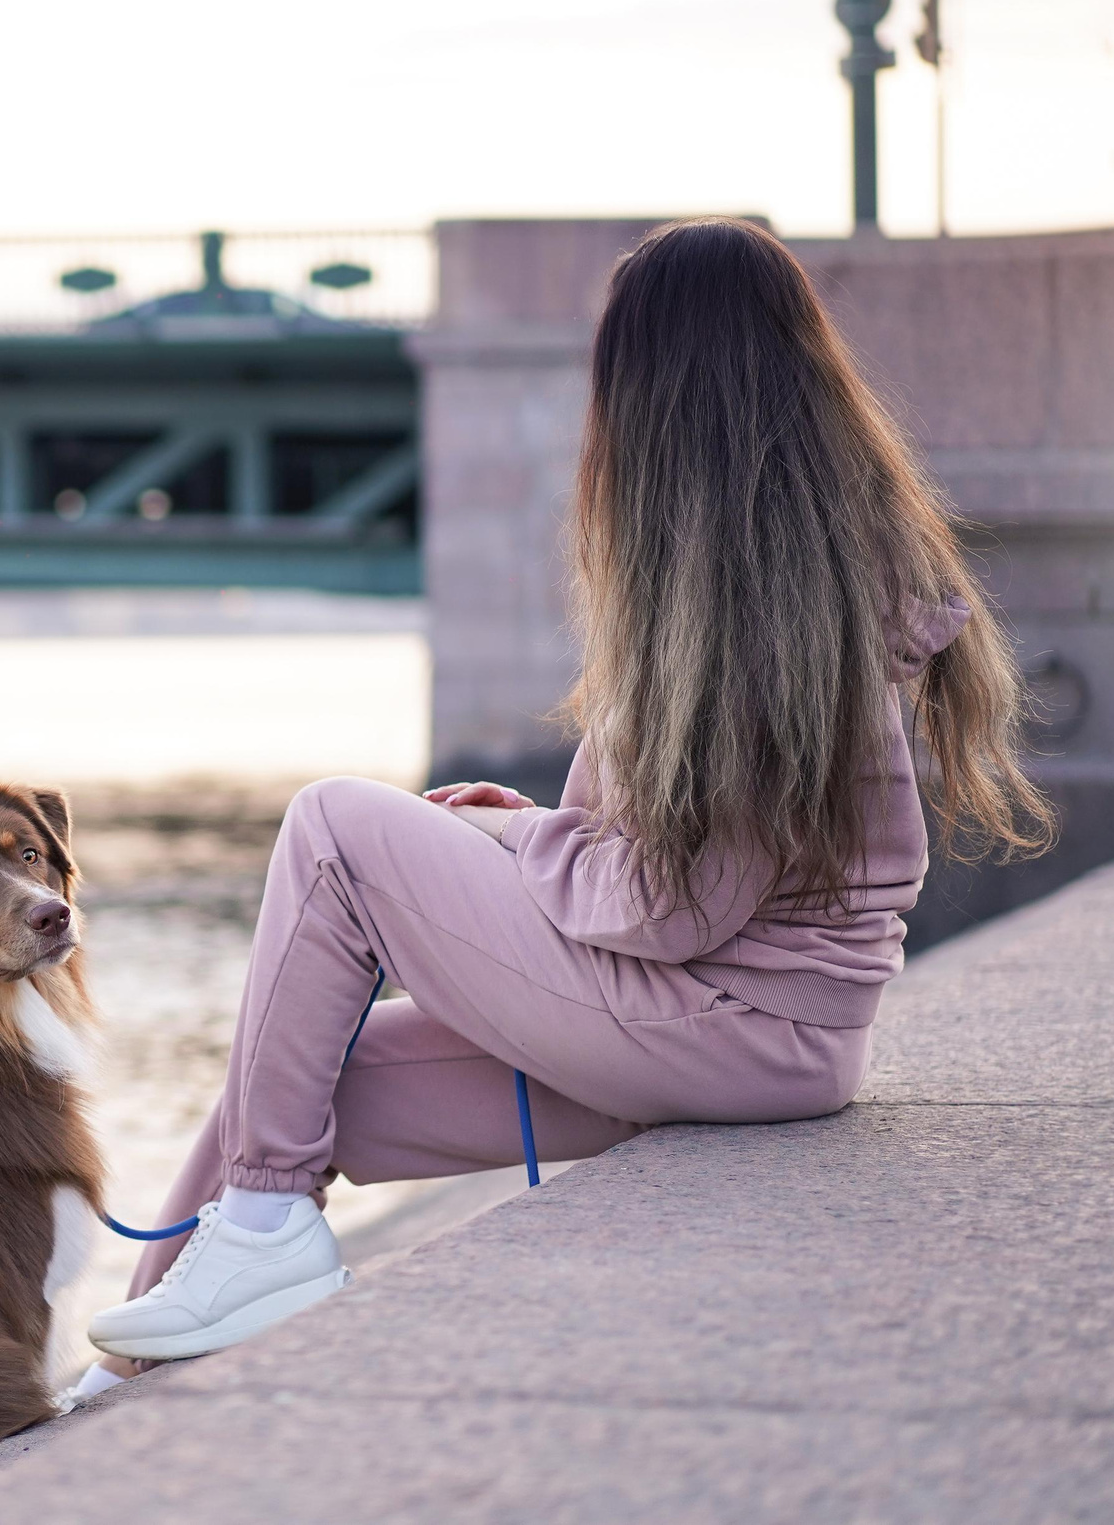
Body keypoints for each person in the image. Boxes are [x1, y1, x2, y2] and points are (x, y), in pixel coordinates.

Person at [77, 217, 1051, 1382]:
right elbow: (685, 872)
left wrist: (509, 840)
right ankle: (128, 1377)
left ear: (653, 394)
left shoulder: (760, 619)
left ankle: (266, 1231)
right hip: (739, 1031)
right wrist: (532, 831)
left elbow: (670, 912)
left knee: (333, 827)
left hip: (726, 1027)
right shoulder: (789, 576)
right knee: (283, 1081)